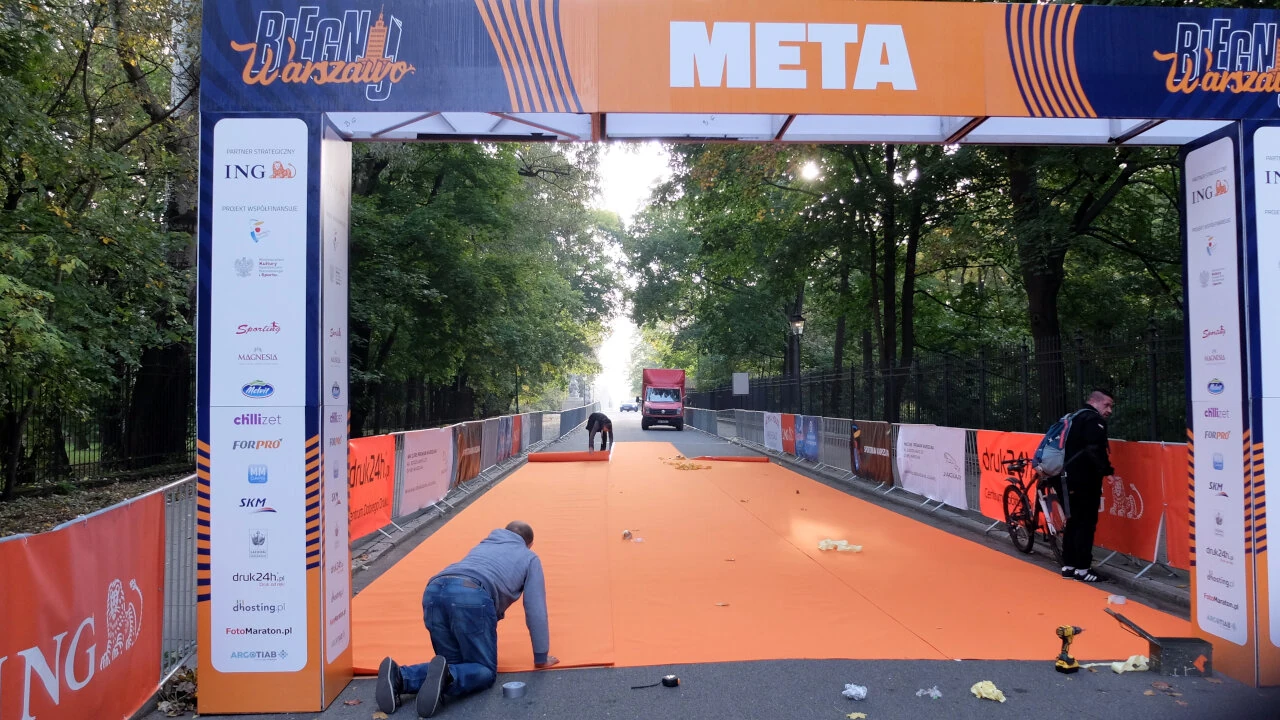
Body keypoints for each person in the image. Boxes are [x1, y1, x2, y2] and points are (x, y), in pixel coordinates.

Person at [376, 521, 559, 717]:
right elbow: (535, 608)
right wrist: (541, 656)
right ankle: (447, 677)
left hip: (434, 591)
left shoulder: (485, 544)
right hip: (470, 595)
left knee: (454, 666)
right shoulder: (529, 557)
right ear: (529, 544)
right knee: (483, 671)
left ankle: (400, 677)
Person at [1060, 389, 1116, 583]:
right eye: (1106, 405)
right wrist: (1107, 471)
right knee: (1086, 524)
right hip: (1085, 480)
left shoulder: (1074, 417)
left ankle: (1068, 566)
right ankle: (1083, 570)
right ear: (1094, 402)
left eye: (1111, 406)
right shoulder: (1093, 420)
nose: (1109, 410)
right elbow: (1095, 449)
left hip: (1067, 476)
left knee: (1073, 522)